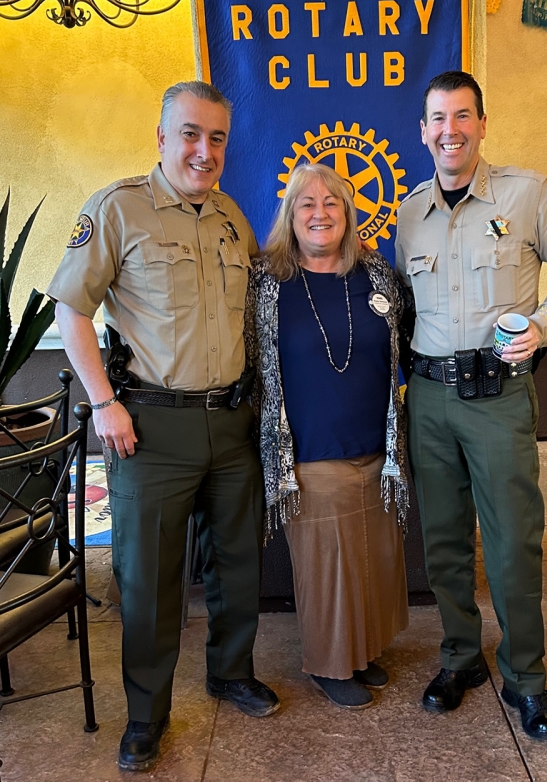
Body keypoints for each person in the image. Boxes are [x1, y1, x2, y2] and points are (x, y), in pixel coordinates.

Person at [47, 81, 279, 772]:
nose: (203, 152)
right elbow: (72, 311)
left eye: (216, 139)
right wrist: (103, 402)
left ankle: (230, 670)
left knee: (238, 563)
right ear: (162, 136)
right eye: (190, 134)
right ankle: (146, 713)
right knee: (148, 579)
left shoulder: (233, 217)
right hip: (150, 428)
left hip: (231, 422)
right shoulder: (118, 209)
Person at [396, 71, 547, 740]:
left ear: (483, 123)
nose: (449, 130)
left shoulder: (527, 192)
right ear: (423, 130)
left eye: (462, 116)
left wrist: (542, 325)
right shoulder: (408, 213)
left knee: (513, 542)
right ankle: (461, 657)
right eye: (437, 119)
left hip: (498, 398)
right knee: (444, 542)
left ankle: (526, 677)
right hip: (428, 397)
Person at [245, 163, 409, 710]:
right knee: (329, 567)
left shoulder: (377, 276)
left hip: (377, 449)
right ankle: (330, 664)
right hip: (310, 451)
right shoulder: (267, 284)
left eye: (331, 203)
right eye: (306, 203)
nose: (320, 213)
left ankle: (362, 652)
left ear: (348, 212)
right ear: (291, 217)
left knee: (373, 558)